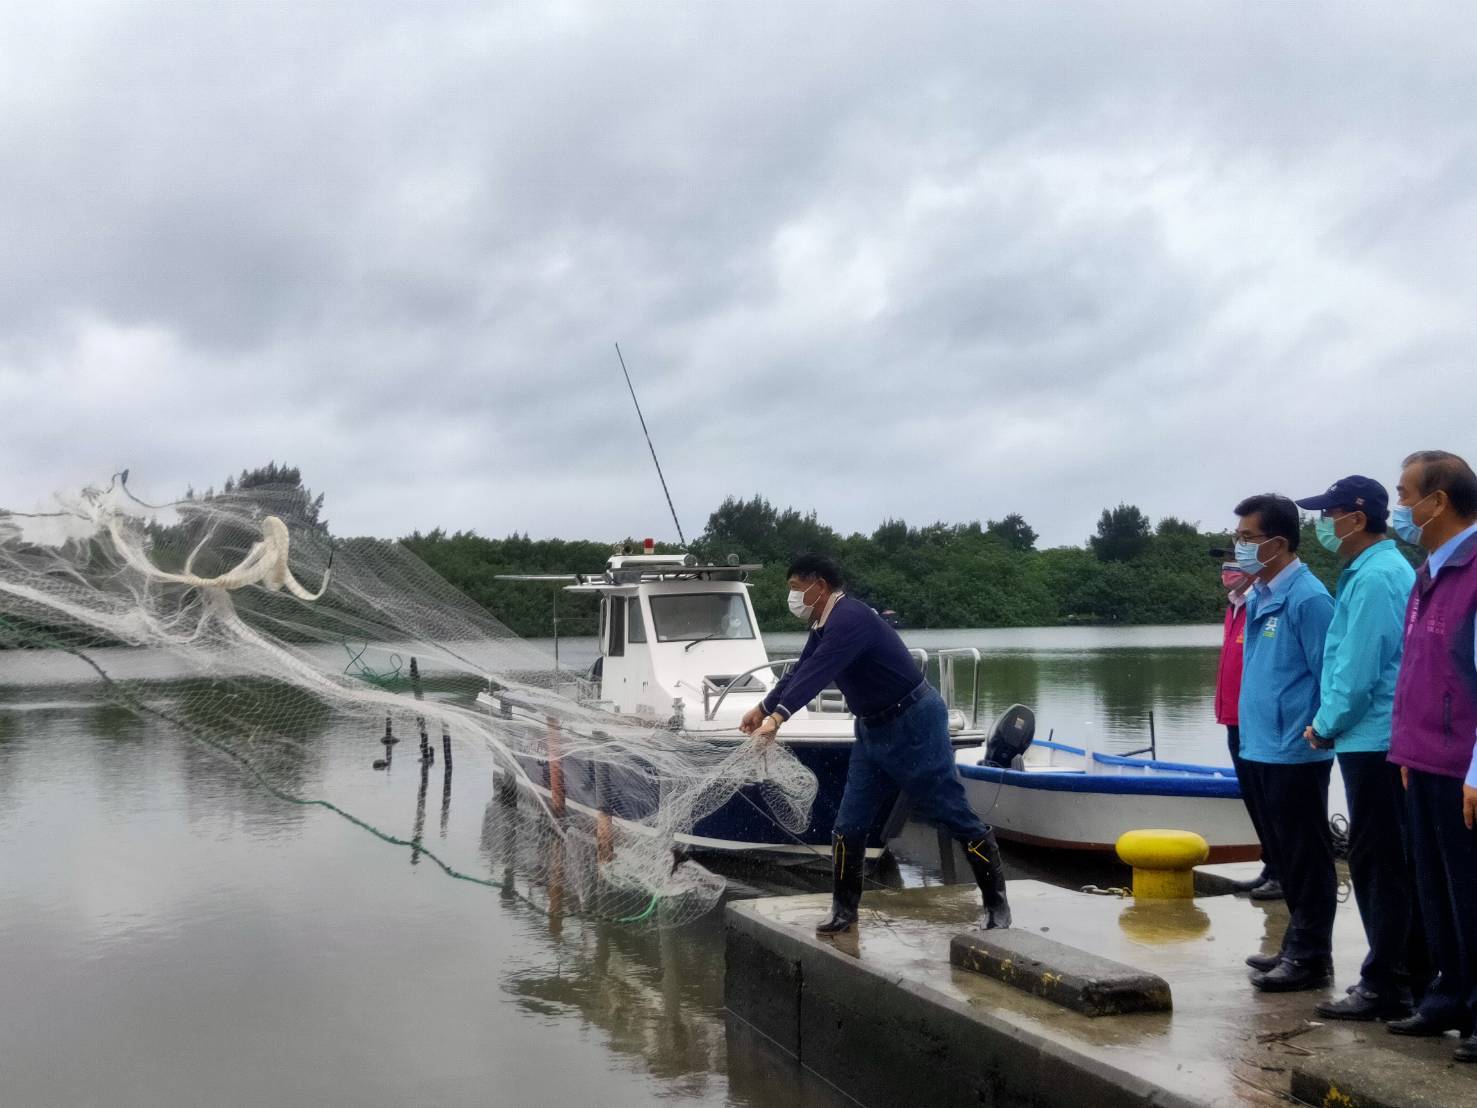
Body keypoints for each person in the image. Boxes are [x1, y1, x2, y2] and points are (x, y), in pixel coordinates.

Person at [741, 553, 1011, 935]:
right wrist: (762, 706)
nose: (793, 598)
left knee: (950, 812)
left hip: (914, 723)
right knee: (849, 823)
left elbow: (820, 672)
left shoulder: (851, 619)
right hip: (871, 731)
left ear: (818, 585)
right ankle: (844, 911)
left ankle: (997, 906)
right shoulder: (824, 623)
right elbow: (802, 669)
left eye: (796, 589)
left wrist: (778, 718)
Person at [1293, 476, 1421, 1021]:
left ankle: (1387, 982)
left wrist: (1324, 724)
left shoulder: (1376, 577)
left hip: (1376, 739)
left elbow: (1359, 666)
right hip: (1372, 737)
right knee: (1382, 859)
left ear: (1359, 515)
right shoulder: (1371, 571)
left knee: (1379, 863)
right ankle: (1407, 975)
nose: (1323, 524)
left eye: (1331, 513)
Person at [1383, 451, 1477, 1062]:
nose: (1400, 507)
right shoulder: (1428, 573)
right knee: (1435, 889)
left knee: (1471, 891)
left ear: (1437, 501)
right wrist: (1409, 749)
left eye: (1405, 494)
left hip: (1464, 765)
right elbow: (1420, 671)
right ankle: (1449, 997)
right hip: (1425, 756)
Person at [1233, 493, 1337, 992]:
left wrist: (1316, 730)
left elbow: (1328, 673)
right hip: (1258, 745)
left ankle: (1312, 956)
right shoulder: (1260, 594)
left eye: (1248, 538)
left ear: (1277, 543)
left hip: (1295, 748)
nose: (1240, 547)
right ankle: (1296, 942)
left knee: (1306, 854)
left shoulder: (1308, 598)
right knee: (1284, 852)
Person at [1214, 550, 1282, 899]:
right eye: (1223, 565)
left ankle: (1283, 872)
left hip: (1257, 720)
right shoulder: (1234, 607)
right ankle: (1271, 865)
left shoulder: (1262, 603)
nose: (1227, 570)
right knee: (1254, 798)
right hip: (1233, 718)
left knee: (1270, 799)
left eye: (1234, 564)